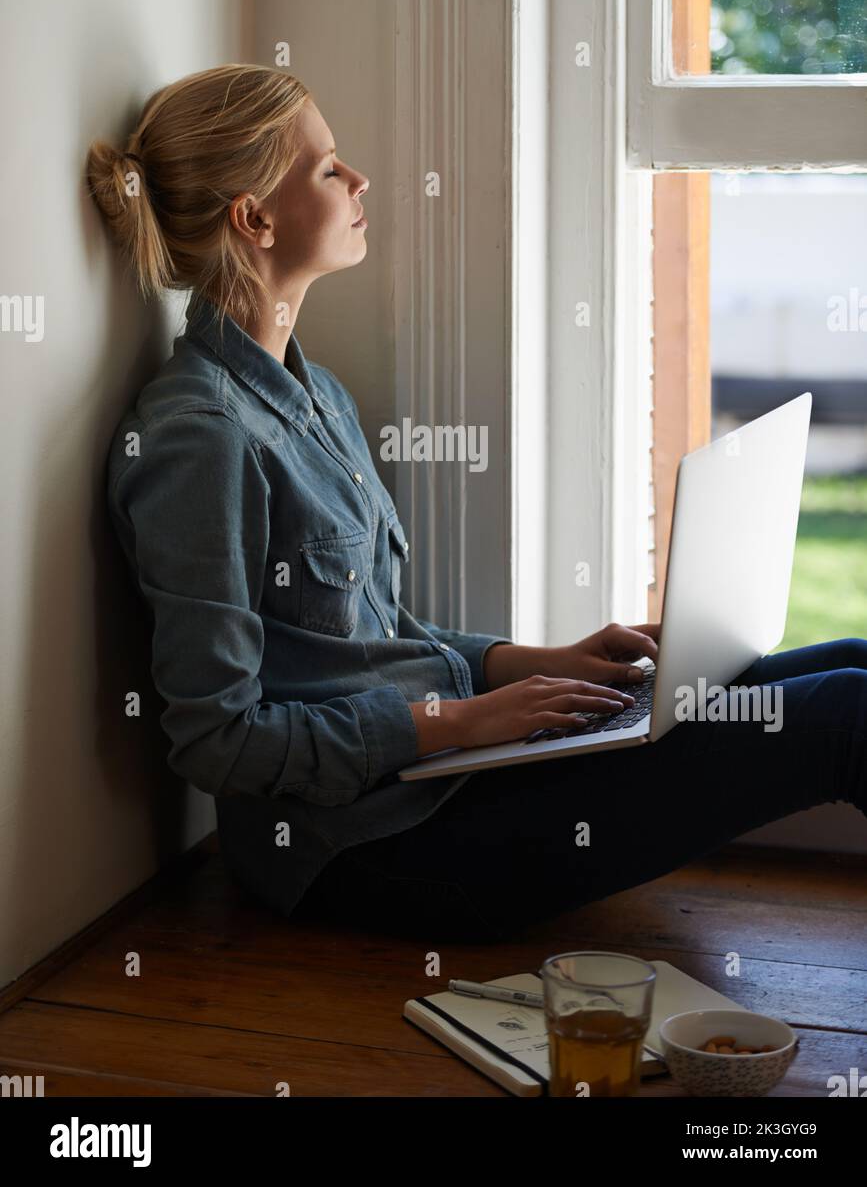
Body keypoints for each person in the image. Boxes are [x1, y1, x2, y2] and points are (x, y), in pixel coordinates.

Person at [87, 63, 867, 946]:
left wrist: (533, 662)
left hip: (445, 776)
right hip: (366, 846)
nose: (358, 181)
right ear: (254, 218)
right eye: (328, 167)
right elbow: (218, 741)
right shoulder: (198, 440)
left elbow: (362, 642)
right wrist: (460, 721)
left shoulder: (313, 395)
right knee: (847, 716)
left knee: (850, 659)